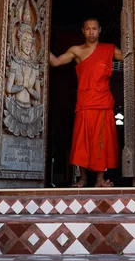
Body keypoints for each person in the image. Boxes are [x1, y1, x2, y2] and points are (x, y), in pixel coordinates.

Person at [49, 18, 123, 187]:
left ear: (100, 30)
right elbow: (55, 62)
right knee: (82, 142)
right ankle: (82, 179)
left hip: (103, 103)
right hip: (84, 103)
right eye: (88, 29)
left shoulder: (109, 50)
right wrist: (38, 42)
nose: (91, 32)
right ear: (83, 31)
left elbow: (131, 59)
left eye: (94, 29)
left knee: (101, 142)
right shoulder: (77, 51)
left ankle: (99, 180)